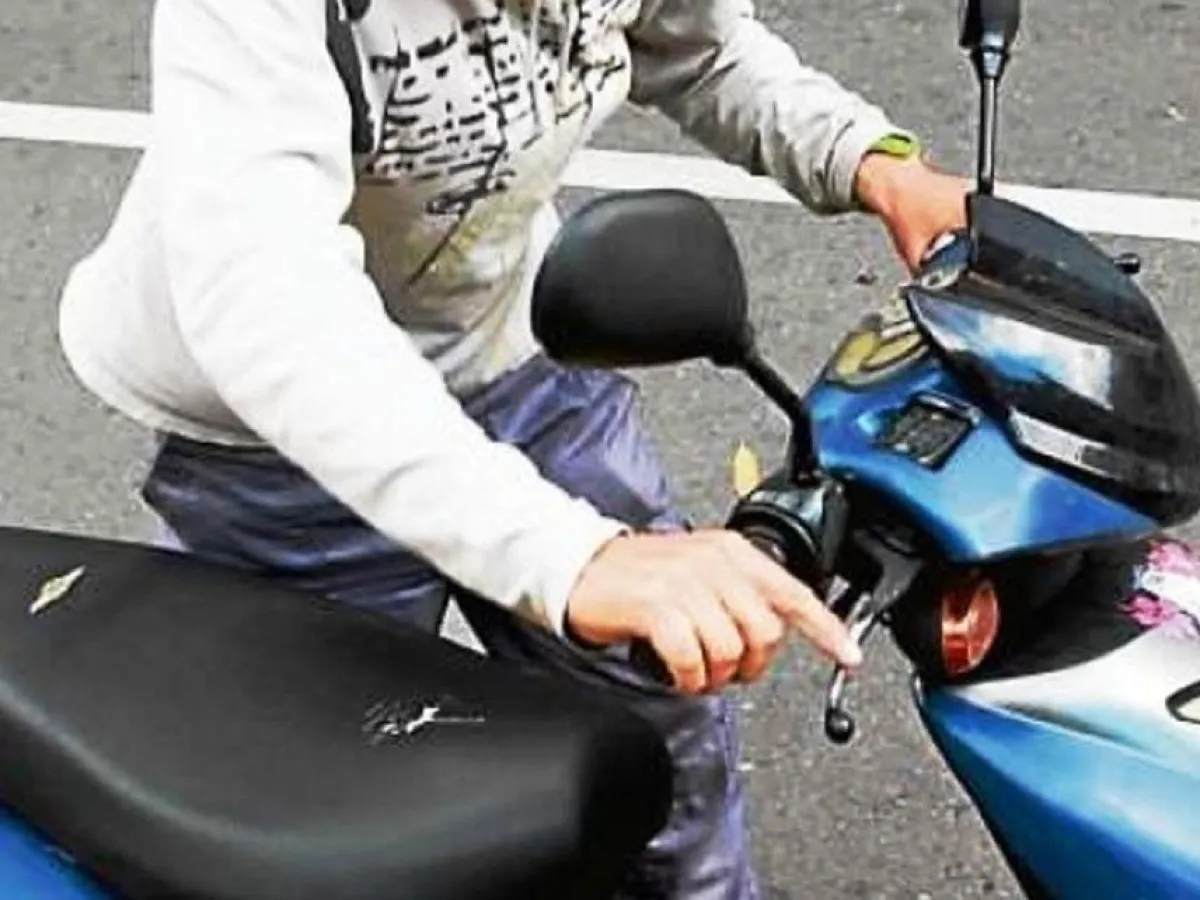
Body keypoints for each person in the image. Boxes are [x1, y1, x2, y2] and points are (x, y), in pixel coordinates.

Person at [57, 1, 968, 897]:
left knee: (667, 730)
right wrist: (575, 559)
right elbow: (269, 297)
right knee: (323, 814)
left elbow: (695, 45)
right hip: (278, 447)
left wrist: (874, 161)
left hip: (515, 351)